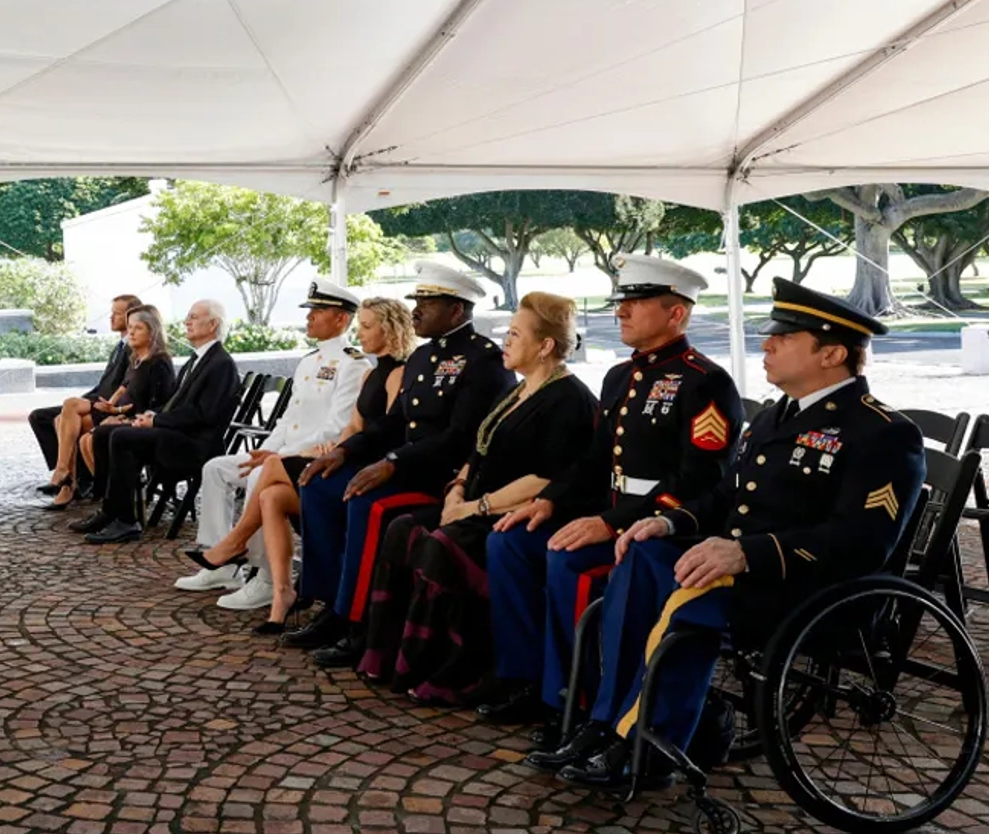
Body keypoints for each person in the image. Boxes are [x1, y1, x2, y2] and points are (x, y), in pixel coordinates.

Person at [556, 279, 925, 791]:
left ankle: (643, 747)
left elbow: (861, 542)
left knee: (690, 599)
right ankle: (602, 724)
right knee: (642, 557)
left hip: (811, 591)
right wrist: (670, 522)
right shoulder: (778, 416)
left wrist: (745, 554)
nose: (766, 345)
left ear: (833, 354)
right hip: (745, 573)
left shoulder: (881, 432)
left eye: (785, 338)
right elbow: (724, 499)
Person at [493, 256, 740, 765]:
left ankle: (583, 709)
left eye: (636, 301)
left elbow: (698, 481)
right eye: (621, 301)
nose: (622, 310)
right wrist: (550, 501)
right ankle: (533, 684)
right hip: (608, 515)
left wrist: (610, 522)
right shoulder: (618, 375)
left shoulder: (704, 382)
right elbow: (594, 460)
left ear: (677, 314)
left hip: (661, 528)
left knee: (568, 562)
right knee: (510, 543)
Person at [355, 293, 599, 704]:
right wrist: (457, 490)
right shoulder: (516, 392)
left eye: (516, 334)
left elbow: (544, 480)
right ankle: (388, 654)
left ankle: (458, 668)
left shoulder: (567, 398)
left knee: (443, 545)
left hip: (516, 513)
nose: (505, 340)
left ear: (545, 346)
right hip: (474, 502)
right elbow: (479, 448)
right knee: (403, 528)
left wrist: (474, 508)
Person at [285, 263, 514, 667]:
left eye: (427, 302)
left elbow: (461, 435)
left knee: (367, 505)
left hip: (444, 478)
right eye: (417, 301)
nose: (416, 310)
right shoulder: (424, 356)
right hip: (408, 465)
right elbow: (395, 421)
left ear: (457, 310)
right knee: (319, 486)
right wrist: (345, 451)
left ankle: (358, 622)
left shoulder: (483, 360)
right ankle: (329, 602)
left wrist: (392, 461)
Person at [174, 281, 362, 617]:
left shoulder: (353, 364)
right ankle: (221, 565)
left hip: (309, 457)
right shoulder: (309, 361)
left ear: (341, 320)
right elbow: (288, 418)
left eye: (318, 312)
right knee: (217, 468)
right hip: (284, 451)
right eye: (310, 310)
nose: (310, 317)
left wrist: (279, 457)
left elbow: (335, 427)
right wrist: (266, 449)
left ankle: (262, 576)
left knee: (263, 472)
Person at [74, 300, 240, 545]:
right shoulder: (199, 359)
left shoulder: (221, 363)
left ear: (213, 324)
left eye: (193, 317)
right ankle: (111, 510)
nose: (187, 322)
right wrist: (150, 415)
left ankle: (125, 520)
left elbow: (204, 414)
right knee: (105, 432)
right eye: (188, 316)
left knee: (121, 436)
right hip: (180, 435)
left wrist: (157, 421)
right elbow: (177, 403)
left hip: (196, 446)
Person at [57, 304, 175, 509]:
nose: (131, 332)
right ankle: (109, 500)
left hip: (148, 426)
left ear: (152, 332)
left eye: (138, 328)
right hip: (129, 417)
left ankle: (115, 503)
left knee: (94, 436)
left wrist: (122, 417)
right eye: (130, 327)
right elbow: (126, 394)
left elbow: (157, 406)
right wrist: (114, 410)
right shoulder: (135, 361)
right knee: (85, 437)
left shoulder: (159, 363)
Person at [31, 293, 140, 495]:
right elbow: (105, 383)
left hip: (108, 404)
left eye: (117, 313)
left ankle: (67, 476)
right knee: (43, 417)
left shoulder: (133, 348)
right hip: (97, 398)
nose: (111, 318)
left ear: (130, 316)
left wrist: (110, 405)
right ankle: (72, 474)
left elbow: (125, 386)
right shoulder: (119, 347)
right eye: (112, 312)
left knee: (67, 411)